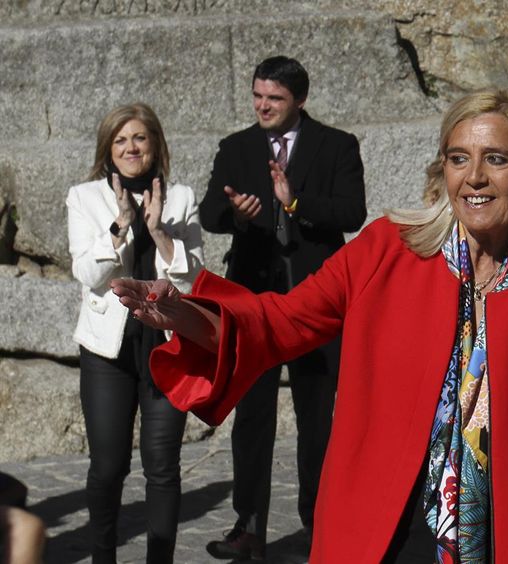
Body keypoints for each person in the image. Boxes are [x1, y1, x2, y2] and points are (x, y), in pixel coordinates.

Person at [113, 89, 508, 563]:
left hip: (507, 537)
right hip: (384, 533)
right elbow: (282, 322)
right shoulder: (386, 251)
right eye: (459, 158)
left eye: (496, 158)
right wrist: (187, 314)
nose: (475, 177)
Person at [197, 55, 367, 559]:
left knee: (317, 421)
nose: (262, 106)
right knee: (252, 417)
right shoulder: (236, 147)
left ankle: (320, 525)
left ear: (300, 100)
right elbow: (210, 213)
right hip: (253, 302)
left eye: (274, 98)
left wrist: (295, 203)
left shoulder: (336, 145)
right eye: (257, 95)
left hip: (316, 302)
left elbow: (352, 212)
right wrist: (238, 214)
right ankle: (248, 526)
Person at [66, 102, 203, 563]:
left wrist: (159, 230)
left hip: (167, 348)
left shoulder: (180, 197)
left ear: (155, 144)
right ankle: (103, 557)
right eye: (120, 140)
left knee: (162, 467)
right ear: (108, 149)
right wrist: (120, 226)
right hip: (108, 352)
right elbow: (87, 274)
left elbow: (192, 277)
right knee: (108, 467)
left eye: (139, 138)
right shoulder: (84, 197)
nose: (131, 147)